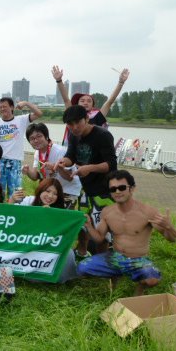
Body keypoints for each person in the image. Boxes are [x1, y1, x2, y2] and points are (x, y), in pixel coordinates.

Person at [78, 170, 176, 296]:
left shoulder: (148, 212)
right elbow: (99, 238)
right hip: (116, 257)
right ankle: (114, 275)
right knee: (82, 267)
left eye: (122, 187)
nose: (117, 191)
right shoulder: (107, 212)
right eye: (113, 189)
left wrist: (169, 226)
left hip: (139, 259)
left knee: (152, 280)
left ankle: (139, 289)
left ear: (132, 189)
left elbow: (172, 239)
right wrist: (88, 225)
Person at [55, 105, 118, 255]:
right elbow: (71, 157)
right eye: (70, 124)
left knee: (102, 230)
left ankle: (101, 258)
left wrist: (89, 168)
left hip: (104, 190)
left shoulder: (103, 135)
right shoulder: (73, 136)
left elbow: (111, 164)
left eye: (78, 122)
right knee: (82, 224)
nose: (74, 127)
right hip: (85, 189)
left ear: (87, 119)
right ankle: (82, 253)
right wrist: (63, 162)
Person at [53, 65, 130, 143]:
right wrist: (59, 80)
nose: (86, 103)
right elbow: (66, 100)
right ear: (77, 104)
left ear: (92, 106)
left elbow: (109, 102)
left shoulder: (98, 116)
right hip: (72, 148)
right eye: (82, 101)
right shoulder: (72, 113)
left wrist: (121, 82)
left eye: (89, 101)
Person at [0, 97, 42, 200]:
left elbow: (39, 113)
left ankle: (14, 210)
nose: (2, 109)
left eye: (5, 106)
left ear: (12, 107)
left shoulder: (21, 120)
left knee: (16, 194)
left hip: (15, 162)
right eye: (0, 107)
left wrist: (25, 103)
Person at [23, 122, 82, 209]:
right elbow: (36, 176)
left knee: (60, 216)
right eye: (32, 138)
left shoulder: (60, 151)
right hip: (51, 191)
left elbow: (70, 177)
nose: (36, 140)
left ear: (46, 136)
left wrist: (57, 167)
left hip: (68, 190)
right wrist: (28, 171)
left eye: (39, 136)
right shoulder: (37, 153)